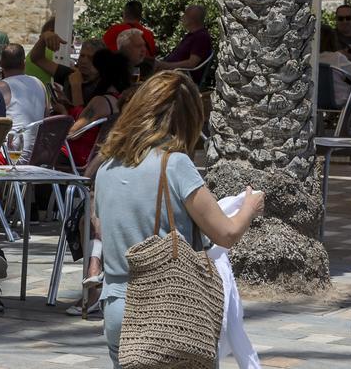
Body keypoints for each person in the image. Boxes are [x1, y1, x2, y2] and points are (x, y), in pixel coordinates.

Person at [95, 70, 264, 367]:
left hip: (117, 305)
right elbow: (226, 232)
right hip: (169, 307)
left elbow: (102, 229)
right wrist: (249, 206)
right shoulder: (174, 164)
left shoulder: (107, 167)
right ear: (188, 119)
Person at [64, 50, 131, 168]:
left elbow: (73, 133)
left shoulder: (100, 102)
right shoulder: (122, 100)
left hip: (77, 157)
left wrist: (62, 112)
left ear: (101, 75)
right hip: (101, 158)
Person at [0, 43, 49, 164]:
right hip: (37, 155)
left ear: (0, 64)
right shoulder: (39, 83)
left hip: (11, 155)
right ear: (24, 64)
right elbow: (46, 117)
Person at [29, 29, 106, 108]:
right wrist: (43, 38)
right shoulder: (70, 74)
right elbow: (37, 58)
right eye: (82, 56)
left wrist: (76, 88)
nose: (84, 61)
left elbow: (83, 117)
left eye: (91, 58)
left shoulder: (104, 86)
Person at [157, 5, 214, 84]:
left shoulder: (201, 37)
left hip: (180, 78)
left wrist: (167, 65)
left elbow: (191, 63)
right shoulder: (192, 35)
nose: (182, 17)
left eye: (185, 15)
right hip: (170, 73)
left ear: (192, 19)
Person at [320, 24, 351, 107]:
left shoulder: (310, 59)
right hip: (340, 99)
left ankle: (330, 117)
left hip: (316, 98)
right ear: (333, 40)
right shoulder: (337, 57)